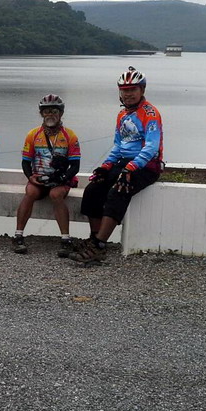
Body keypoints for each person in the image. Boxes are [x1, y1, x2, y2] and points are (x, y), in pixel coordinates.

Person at [70, 66, 163, 266]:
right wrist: (105, 166)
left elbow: (152, 146)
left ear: (142, 90)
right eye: (124, 90)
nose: (128, 94)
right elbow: (118, 145)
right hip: (124, 163)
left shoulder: (150, 113)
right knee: (93, 189)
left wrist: (131, 167)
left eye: (132, 89)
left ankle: (99, 245)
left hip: (147, 165)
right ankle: (94, 238)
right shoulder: (122, 115)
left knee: (119, 191)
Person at [12, 94, 81, 256]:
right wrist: (31, 177)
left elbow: (75, 166)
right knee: (30, 192)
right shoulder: (33, 134)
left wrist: (63, 178)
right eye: (46, 111)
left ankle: (65, 239)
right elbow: (25, 162)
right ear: (41, 114)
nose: (50, 115)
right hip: (39, 178)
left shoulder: (70, 136)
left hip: (60, 179)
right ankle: (18, 236)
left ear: (61, 113)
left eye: (54, 111)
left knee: (56, 195)